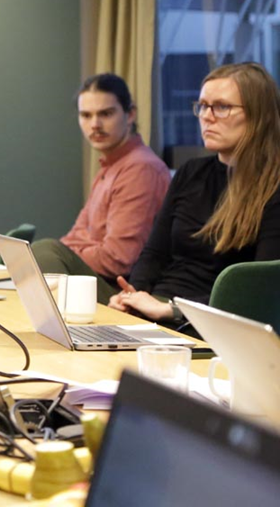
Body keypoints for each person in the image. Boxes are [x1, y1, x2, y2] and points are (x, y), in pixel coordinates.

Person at [110, 62, 280, 325]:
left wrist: (173, 310)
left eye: (222, 107)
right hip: (156, 307)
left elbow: (258, 291)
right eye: (202, 106)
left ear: (259, 115)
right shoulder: (191, 172)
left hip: (208, 323)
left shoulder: (273, 186)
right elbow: (154, 253)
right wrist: (133, 295)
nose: (207, 116)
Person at [30, 74, 171, 303]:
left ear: (130, 113)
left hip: (124, 294)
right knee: (40, 255)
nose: (95, 124)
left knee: (45, 251)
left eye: (106, 114)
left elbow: (118, 258)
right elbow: (77, 235)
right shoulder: (111, 165)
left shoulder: (140, 169)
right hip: (98, 281)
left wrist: (63, 256)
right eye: (86, 115)